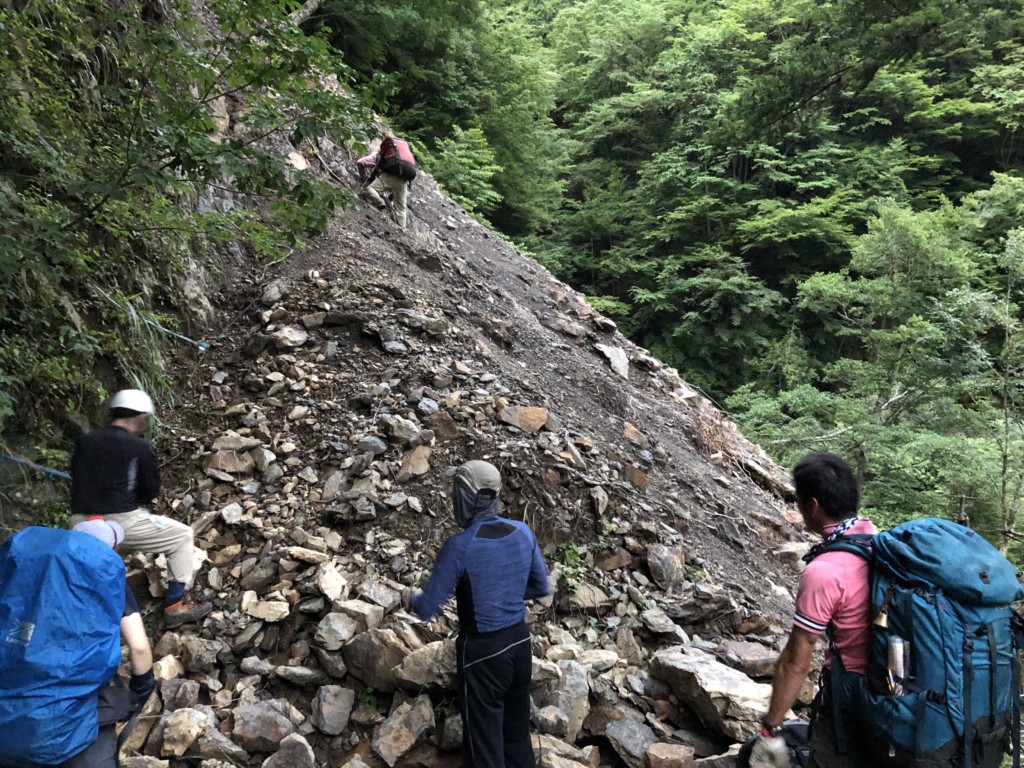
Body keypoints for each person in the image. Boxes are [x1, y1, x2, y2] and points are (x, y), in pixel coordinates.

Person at [402, 460, 550, 768]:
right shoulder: (522, 531)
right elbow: (540, 586)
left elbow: (427, 607)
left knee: (484, 748)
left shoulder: (460, 545)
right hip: (520, 645)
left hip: (483, 656)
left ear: (466, 497)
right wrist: (504, 591)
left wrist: (409, 597)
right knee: (516, 738)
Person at [757, 452, 902, 768]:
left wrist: (770, 726)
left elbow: (796, 662)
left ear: (813, 506)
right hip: (897, 694)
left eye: (798, 501)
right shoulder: (879, 540)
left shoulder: (825, 570)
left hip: (852, 701)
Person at [70, 388, 210, 628]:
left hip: (80, 523)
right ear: (140, 416)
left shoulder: (85, 442)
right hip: (118, 522)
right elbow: (149, 491)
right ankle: (175, 606)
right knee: (182, 536)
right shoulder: (137, 447)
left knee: (100, 565)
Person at [65, 519, 156, 768]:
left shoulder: (40, 579)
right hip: (81, 711)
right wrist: (143, 692)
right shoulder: (110, 581)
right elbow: (139, 647)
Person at [356, 136, 416, 229]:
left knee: (369, 190)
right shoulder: (401, 160)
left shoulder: (377, 156)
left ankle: (379, 201)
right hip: (404, 181)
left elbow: (360, 162)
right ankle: (401, 229)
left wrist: (364, 177)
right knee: (401, 208)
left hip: (389, 176)